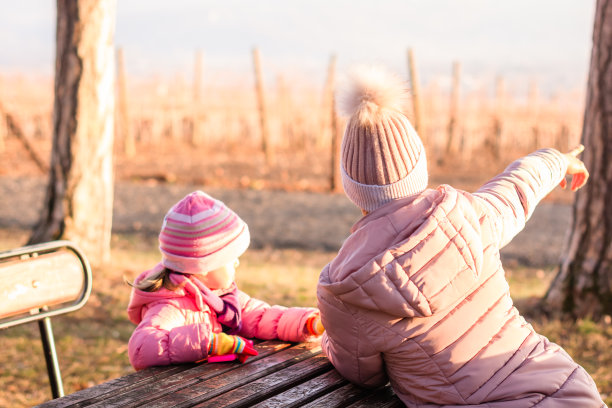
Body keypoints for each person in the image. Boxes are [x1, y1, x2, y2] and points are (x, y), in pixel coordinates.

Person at [316, 66, 605, 407]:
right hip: (561, 385)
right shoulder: (470, 213)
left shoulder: (343, 288)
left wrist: (327, 341)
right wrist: (556, 160)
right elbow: (516, 188)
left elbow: (363, 375)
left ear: (352, 189)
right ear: (418, 169)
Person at [127, 190, 324, 371]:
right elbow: (141, 347)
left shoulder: (222, 298)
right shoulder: (172, 307)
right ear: (202, 268)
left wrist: (307, 323)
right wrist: (208, 343)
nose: (237, 263)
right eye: (230, 259)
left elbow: (261, 316)